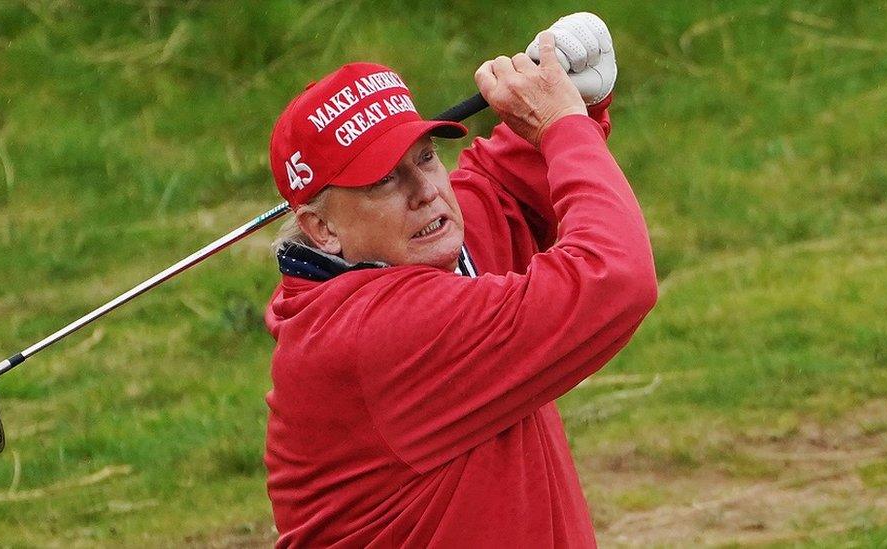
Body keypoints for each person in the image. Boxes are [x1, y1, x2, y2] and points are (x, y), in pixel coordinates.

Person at [263, 13, 657, 547]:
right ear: (321, 228)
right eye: (383, 180)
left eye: (425, 157)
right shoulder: (376, 334)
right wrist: (565, 126)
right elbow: (614, 278)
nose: (424, 190)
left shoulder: (416, 248)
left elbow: (504, 192)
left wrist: (571, 99)